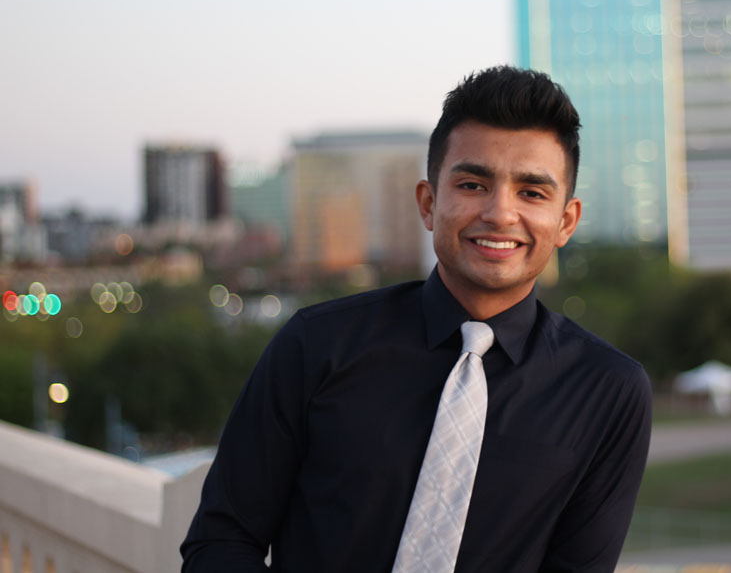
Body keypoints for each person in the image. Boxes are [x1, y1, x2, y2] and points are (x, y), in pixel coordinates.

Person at [181, 66, 652, 572]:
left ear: (566, 221)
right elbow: (222, 540)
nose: (499, 213)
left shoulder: (609, 391)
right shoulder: (315, 345)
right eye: (473, 184)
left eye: (532, 193)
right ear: (428, 203)